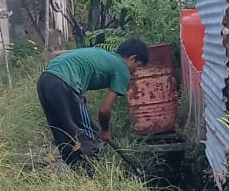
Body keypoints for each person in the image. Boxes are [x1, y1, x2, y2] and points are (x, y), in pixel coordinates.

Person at [37, 39, 150, 172]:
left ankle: (76, 172)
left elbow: (57, 54)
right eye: (138, 66)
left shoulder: (100, 52)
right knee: (90, 137)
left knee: (64, 132)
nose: (135, 72)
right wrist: (105, 130)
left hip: (45, 80)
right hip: (65, 83)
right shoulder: (122, 69)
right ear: (132, 58)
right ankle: (95, 175)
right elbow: (104, 110)